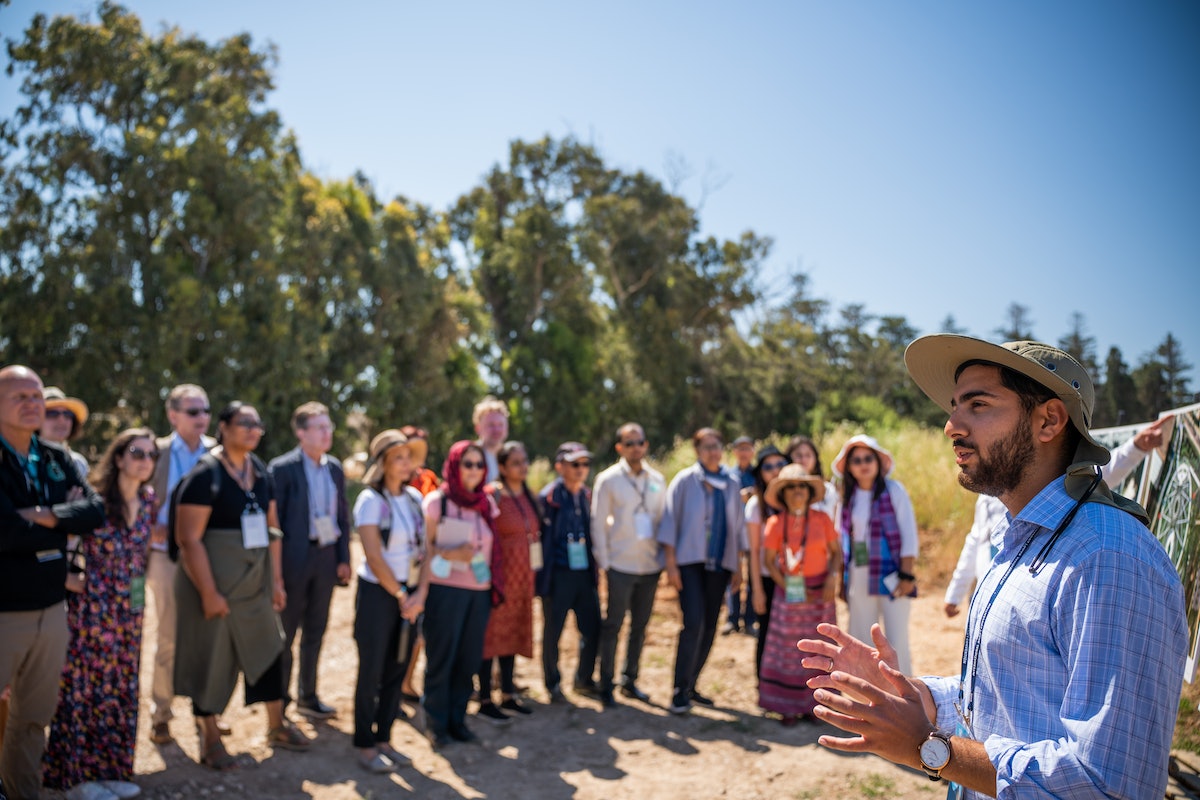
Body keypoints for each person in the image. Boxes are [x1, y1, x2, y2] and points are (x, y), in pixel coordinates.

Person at [799, 335, 1188, 799]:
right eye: (954, 406)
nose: (951, 426)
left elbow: (1108, 782)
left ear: (1048, 421)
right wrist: (916, 697)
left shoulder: (1109, 558)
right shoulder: (1021, 537)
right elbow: (1004, 699)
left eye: (978, 405)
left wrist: (928, 746)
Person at [173, 402, 309, 770]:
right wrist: (208, 592)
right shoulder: (206, 474)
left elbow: (273, 529)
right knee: (211, 657)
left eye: (257, 423)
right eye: (243, 423)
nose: (252, 430)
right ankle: (209, 734)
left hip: (255, 583)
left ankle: (277, 725)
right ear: (223, 427)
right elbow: (189, 539)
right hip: (214, 584)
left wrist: (276, 581)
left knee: (271, 647)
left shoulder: (260, 471)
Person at [943, 416, 1171, 619]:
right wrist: (955, 592)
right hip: (988, 594)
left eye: (979, 407)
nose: (951, 428)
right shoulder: (986, 497)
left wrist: (1136, 447)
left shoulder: (1058, 489)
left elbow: (1102, 473)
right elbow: (975, 541)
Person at [0, 366, 105, 800]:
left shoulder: (57, 458)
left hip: (52, 609)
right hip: (4, 613)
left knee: (31, 720)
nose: (31, 403)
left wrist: (38, 515)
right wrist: (62, 518)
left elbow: (95, 513)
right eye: (19, 396)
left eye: (36, 395)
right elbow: (4, 532)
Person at [42, 428, 156, 799]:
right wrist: (70, 581)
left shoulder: (149, 499)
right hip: (93, 610)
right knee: (85, 688)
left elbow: (143, 556)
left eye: (151, 455)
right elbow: (58, 546)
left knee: (122, 685)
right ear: (119, 457)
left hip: (130, 611)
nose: (145, 461)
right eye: (137, 452)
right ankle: (75, 777)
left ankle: (113, 768)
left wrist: (138, 599)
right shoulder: (94, 502)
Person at [408, 441, 496, 748]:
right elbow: (423, 550)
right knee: (441, 659)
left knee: (468, 660)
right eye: (467, 464)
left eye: (479, 465)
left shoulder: (487, 503)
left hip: (479, 593)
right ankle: (435, 724)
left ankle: (458, 721)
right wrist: (451, 554)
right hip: (444, 592)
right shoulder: (436, 502)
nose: (473, 470)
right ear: (454, 466)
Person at [268, 402, 351, 719]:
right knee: (285, 635)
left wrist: (343, 557)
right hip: (293, 561)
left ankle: (308, 695)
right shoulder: (282, 468)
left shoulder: (335, 468)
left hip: (326, 558)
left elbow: (342, 515)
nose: (326, 432)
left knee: (316, 630)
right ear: (301, 433)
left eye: (328, 426)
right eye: (319, 427)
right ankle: (281, 703)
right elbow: (276, 524)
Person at [658, 428, 748, 715]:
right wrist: (670, 564)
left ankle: (692, 685)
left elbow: (737, 527)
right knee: (693, 623)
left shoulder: (731, 483)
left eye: (717, 446)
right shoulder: (685, 480)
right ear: (697, 451)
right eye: (707, 446)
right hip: (689, 562)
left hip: (720, 563)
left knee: (710, 626)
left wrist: (738, 568)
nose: (713, 451)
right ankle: (678, 691)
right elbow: (670, 520)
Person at [146, 383, 217, 745]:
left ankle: (207, 716)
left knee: (210, 638)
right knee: (170, 638)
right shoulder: (154, 452)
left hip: (207, 557)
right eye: (193, 411)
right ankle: (162, 713)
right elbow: (130, 497)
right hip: (165, 557)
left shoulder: (216, 454)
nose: (202, 418)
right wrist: (149, 527)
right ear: (173, 415)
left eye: (205, 411)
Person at [350, 429, 424, 773]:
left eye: (408, 456)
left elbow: (426, 550)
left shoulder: (413, 498)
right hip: (379, 596)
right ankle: (365, 744)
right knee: (371, 671)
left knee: (397, 669)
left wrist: (418, 594)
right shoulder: (369, 500)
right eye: (398, 457)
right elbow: (374, 556)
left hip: (408, 596)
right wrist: (399, 594)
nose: (406, 463)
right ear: (381, 463)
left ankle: (384, 738)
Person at [756, 464, 840, 725]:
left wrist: (831, 578)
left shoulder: (822, 520)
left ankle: (816, 704)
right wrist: (787, 586)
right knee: (788, 649)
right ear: (783, 493)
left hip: (820, 592)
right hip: (789, 590)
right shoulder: (774, 523)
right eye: (791, 487)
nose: (797, 491)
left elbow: (836, 553)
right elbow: (769, 561)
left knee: (820, 646)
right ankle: (787, 707)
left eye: (802, 486)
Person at [591, 424, 666, 707]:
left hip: (649, 565)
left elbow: (662, 519)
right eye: (630, 442)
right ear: (619, 447)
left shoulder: (657, 479)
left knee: (640, 627)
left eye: (640, 442)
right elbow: (597, 523)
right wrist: (606, 563)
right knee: (613, 625)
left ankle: (629, 680)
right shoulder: (608, 480)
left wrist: (663, 560)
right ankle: (606, 683)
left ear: (646, 446)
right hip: (620, 564)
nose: (636, 447)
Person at [830, 433, 918, 674]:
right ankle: (867, 690)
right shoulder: (847, 495)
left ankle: (904, 694)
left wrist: (907, 575)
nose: (863, 464)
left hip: (892, 572)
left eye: (868, 458)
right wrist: (841, 579)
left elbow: (909, 534)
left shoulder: (894, 490)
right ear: (849, 467)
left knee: (895, 636)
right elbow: (841, 539)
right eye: (856, 460)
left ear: (878, 461)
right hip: (858, 571)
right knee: (861, 633)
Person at [477, 441, 539, 723]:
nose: (522, 467)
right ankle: (485, 697)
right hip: (498, 578)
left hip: (522, 578)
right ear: (502, 467)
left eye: (524, 461)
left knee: (512, 632)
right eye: (515, 462)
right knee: (490, 636)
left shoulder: (528, 496)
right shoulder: (493, 494)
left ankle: (509, 693)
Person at [537, 442, 602, 703]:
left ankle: (584, 680)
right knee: (553, 631)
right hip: (558, 575)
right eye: (575, 464)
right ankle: (552, 683)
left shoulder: (587, 496)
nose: (581, 469)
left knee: (593, 628)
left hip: (584, 574)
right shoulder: (548, 498)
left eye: (584, 464)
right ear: (560, 466)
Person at [745, 445, 789, 674]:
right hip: (765, 577)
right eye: (768, 466)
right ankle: (764, 686)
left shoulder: (796, 498)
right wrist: (757, 590)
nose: (775, 470)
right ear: (760, 473)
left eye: (780, 464)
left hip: (793, 576)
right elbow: (753, 551)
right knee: (766, 633)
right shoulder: (756, 505)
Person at [942, 494, 1006, 618]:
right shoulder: (985, 496)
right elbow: (974, 544)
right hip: (981, 591)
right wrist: (954, 595)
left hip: (1007, 596)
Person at [722, 435, 757, 635]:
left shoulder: (758, 473)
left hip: (752, 530)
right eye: (740, 448)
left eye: (747, 448)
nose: (744, 452)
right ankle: (732, 618)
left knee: (753, 575)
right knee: (733, 575)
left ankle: (750, 619)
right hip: (733, 529)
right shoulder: (728, 475)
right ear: (734, 452)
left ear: (752, 451)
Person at [38, 388, 89, 482]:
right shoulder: (27, 461)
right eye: (52, 413)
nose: (62, 419)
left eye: (67, 414)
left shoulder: (79, 463)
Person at [784, 435, 837, 515]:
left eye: (808, 455)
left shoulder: (828, 490)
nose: (803, 459)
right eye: (798, 455)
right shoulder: (783, 489)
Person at [472, 396, 509, 482]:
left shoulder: (512, 456)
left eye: (500, 425)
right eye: (491, 425)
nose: (497, 430)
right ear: (478, 428)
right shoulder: (469, 457)